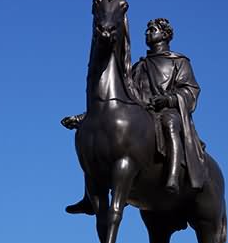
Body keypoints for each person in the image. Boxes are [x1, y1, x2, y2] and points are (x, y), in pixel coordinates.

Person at [61, 18, 206, 214]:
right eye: (147, 29)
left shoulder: (179, 62)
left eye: (153, 29)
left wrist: (170, 100)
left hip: (166, 111)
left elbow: (190, 90)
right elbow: (119, 103)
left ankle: (172, 177)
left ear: (165, 34)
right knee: (96, 140)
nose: (148, 32)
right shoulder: (139, 67)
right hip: (142, 112)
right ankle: (90, 196)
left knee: (170, 123)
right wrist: (84, 117)